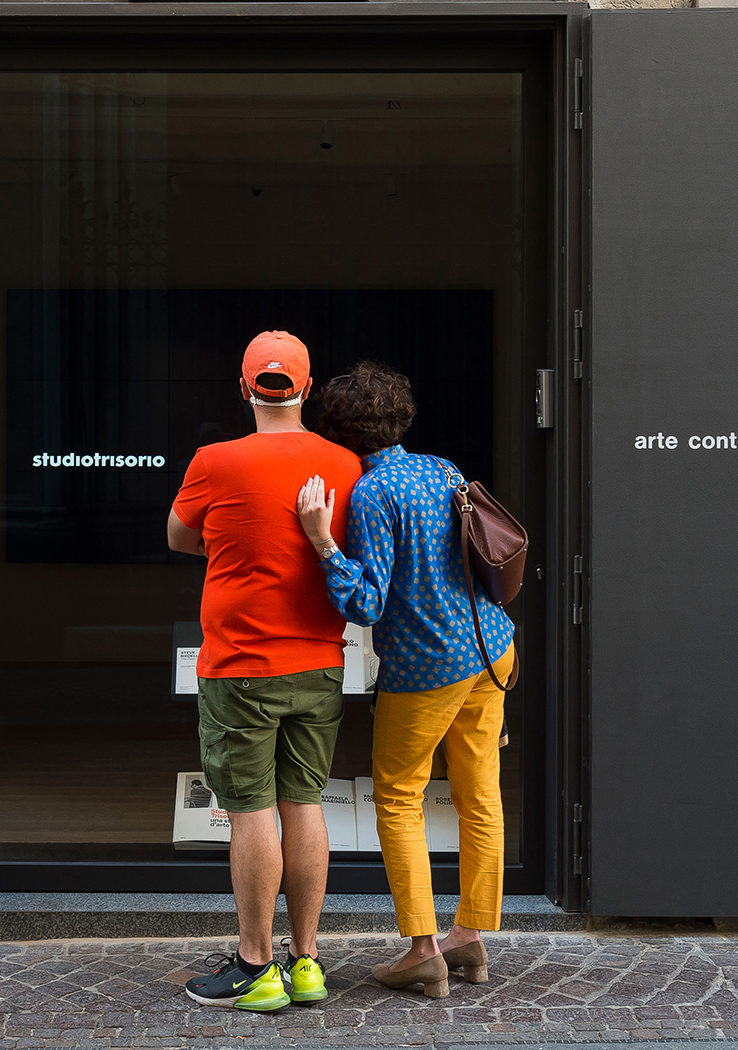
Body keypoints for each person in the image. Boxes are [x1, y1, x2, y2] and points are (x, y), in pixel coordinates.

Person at [295, 361, 516, 999]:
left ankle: (423, 951)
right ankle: (469, 934)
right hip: (491, 648)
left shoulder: (371, 493)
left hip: (426, 667)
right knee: (480, 795)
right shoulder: (441, 468)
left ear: (338, 433)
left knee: (397, 797)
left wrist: (322, 544)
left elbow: (366, 603)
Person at [167, 331, 362, 1012]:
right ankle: (306, 963)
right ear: (305, 389)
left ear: (245, 388)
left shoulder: (214, 461)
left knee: (250, 811)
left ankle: (255, 966)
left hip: (240, 666)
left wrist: (232, 542)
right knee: (304, 804)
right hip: (319, 662)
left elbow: (178, 536)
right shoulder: (345, 463)